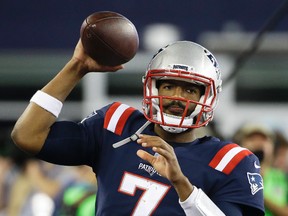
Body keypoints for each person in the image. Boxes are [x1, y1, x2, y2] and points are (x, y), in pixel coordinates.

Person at [11, 37, 264, 215]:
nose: (177, 96)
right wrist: (76, 68)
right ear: (151, 87)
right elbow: (27, 136)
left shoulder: (231, 162)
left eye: (189, 89)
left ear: (206, 97)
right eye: (168, 86)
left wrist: (182, 185)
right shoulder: (118, 125)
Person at [233, 123, 288, 216]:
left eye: (263, 139)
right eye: (252, 139)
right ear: (241, 144)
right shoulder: (233, 176)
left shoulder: (283, 178)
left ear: (272, 146)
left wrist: (258, 195)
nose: (258, 143)